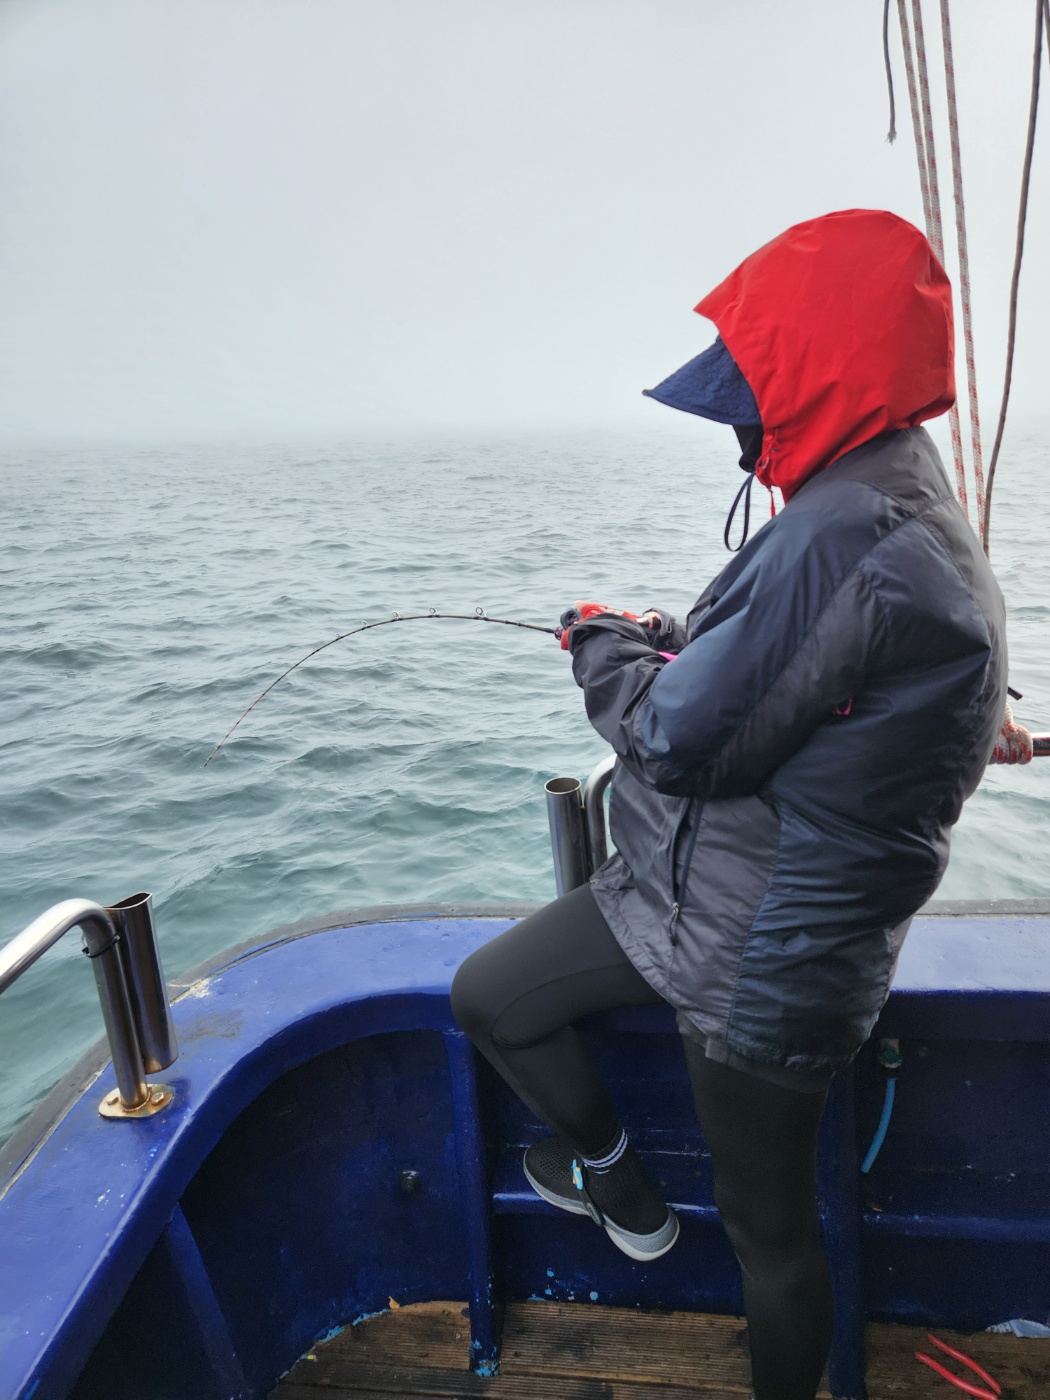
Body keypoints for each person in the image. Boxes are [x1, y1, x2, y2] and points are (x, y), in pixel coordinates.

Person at [450, 208, 1007, 1400]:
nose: (742, 438)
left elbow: (673, 737)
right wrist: (669, 629)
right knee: (490, 992)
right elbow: (788, 656)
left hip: (769, 954)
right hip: (691, 898)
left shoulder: (847, 530)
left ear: (813, 382)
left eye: (751, 402)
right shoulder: (887, 491)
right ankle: (620, 1183)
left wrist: (598, 642)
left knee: (771, 1233)